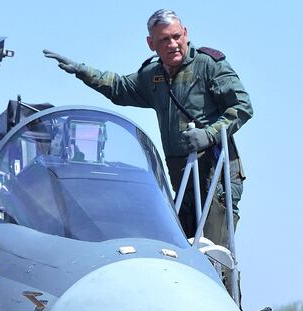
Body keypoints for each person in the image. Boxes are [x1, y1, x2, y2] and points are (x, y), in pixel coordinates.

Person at [43, 9, 253, 244]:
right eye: (164, 39)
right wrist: (82, 71)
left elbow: (242, 106)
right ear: (151, 44)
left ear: (185, 33)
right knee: (182, 250)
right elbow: (120, 88)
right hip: (181, 176)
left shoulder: (208, 65)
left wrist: (210, 134)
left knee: (215, 254)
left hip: (215, 172)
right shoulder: (153, 75)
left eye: (176, 36)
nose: (173, 44)